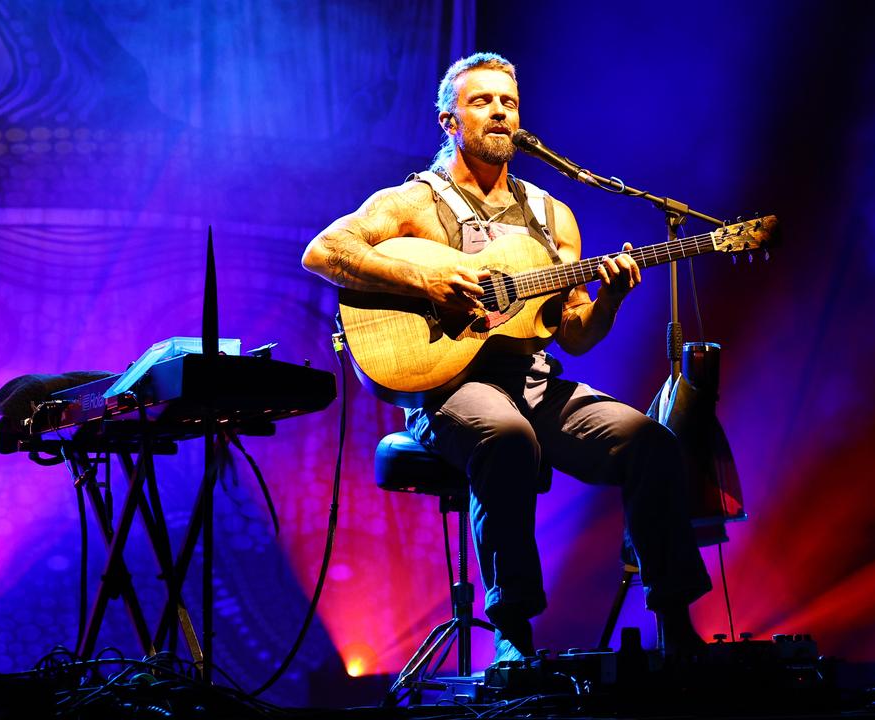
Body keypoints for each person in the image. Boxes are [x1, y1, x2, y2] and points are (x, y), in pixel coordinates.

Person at [302, 52, 710, 663]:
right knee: (505, 436)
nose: (499, 112)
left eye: (509, 102)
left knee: (648, 441)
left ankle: (675, 623)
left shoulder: (552, 216)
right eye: (482, 101)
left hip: (537, 383)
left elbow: (573, 334)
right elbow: (324, 251)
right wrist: (427, 285)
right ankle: (513, 632)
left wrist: (612, 300)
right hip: (448, 385)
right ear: (449, 121)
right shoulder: (414, 203)